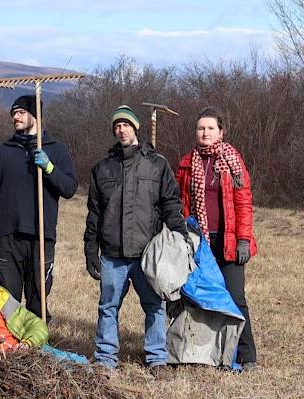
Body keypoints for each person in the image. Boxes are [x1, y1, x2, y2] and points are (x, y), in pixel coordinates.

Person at [84, 105, 188, 371]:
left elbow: (171, 205)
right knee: (108, 306)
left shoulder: (157, 165)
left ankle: (157, 359)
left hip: (147, 254)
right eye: (117, 126)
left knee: (155, 306)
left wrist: (181, 238)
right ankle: (105, 358)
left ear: (136, 128)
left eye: (126, 125)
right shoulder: (102, 169)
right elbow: (94, 213)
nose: (122, 130)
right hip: (112, 254)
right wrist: (90, 249)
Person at [0, 95, 78, 320]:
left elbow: (69, 188)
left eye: (21, 112)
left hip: (40, 234)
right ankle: (9, 337)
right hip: (7, 235)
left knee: (38, 296)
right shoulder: (3, 151)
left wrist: (50, 168)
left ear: (36, 115)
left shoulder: (56, 150)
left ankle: (37, 336)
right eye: (13, 113)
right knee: (7, 298)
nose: (16, 117)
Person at [175, 107, 258, 371]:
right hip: (199, 242)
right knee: (198, 297)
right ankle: (201, 352)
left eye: (210, 128)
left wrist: (243, 239)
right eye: (201, 128)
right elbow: (179, 201)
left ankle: (246, 356)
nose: (205, 133)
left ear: (221, 132)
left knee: (235, 297)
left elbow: (244, 204)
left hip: (228, 241)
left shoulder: (233, 162)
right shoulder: (187, 163)